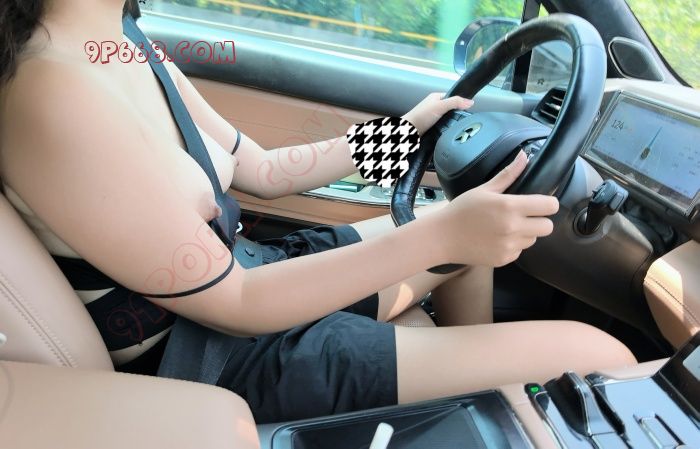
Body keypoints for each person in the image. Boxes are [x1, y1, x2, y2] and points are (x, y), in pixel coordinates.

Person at [0, 0, 635, 423]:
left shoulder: (117, 43)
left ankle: (468, 394)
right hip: (216, 358)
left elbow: (259, 169)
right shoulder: (50, 91)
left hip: (251, 274)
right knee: (599, 352)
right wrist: (443, 236)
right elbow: (236, 303)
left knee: (458, 241)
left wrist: (407, 131)